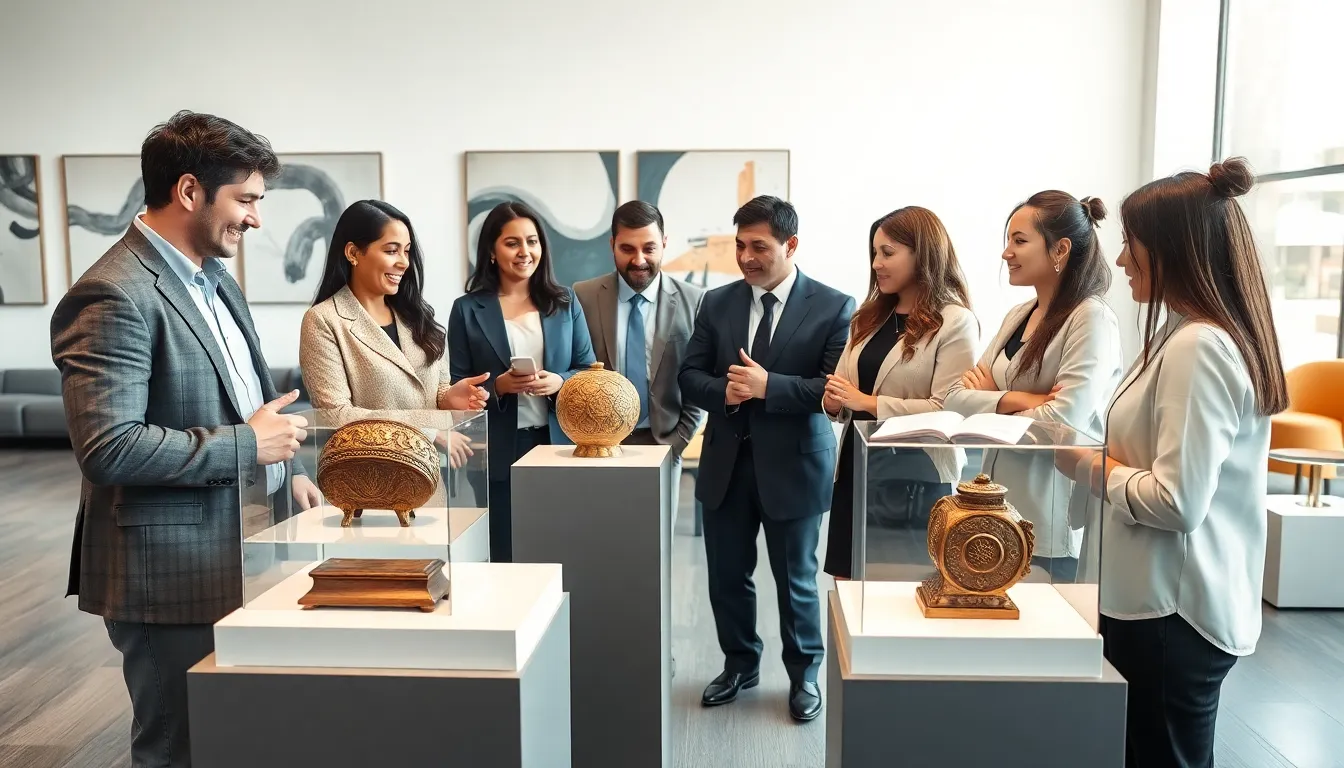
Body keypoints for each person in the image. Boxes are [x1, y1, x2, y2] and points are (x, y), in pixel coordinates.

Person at [50, 111, 319, 768]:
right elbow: (109, 447)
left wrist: (287, 470)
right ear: (191, 191)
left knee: (235, 740)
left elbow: (247, 400)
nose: (256, 219)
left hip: (243, 548)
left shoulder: (216, 280)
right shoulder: (111, 293)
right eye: (246, 199)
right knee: (181, 749)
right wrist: (248, 448)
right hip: (166, 574)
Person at [1057, 158, 1287, 767]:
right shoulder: (1181, 336)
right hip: (1153, 601)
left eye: (1130, 245)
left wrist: (1088, 465)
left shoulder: (1198, 345)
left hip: (1170, 611)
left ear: (1171, 250)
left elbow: (1177, 502)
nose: (1120, 260)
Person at [679, 195, 855, 723]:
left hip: (796, 467)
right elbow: (690, 376)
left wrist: (767, 386)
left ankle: (804, 675)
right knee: (726, 577)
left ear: (790, 245)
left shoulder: (834, 306)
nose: (746, 257)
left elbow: (833, 390)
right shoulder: (716, 303)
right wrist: (725, 393)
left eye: (758, 246)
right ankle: (739, 665)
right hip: (725, 466)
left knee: (796, 581)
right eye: (740, 245)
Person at [944, 192, 1122, 581]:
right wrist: (1024, 398)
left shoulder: (1090, 319)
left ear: (1060, 249)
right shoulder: (1018, 314)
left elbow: (1061, 425)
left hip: (1048, 519)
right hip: (995, 512)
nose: (1006, 252)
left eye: (1020, 241)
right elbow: (954, 399)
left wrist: (989, 397)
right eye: (1008, 240)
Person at [821, 207, 978, 580]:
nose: (877, 263)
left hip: (917, 475)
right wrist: (833, 402)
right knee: (846, 585)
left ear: (922, 254)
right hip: (857, 464)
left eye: (887, 253)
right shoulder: (867, 317)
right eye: (874, 253)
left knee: (903, 590)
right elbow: (843, 388)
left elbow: (949, 408)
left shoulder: (955, 322)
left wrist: (867, 403)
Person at [447, 201, 596, 562]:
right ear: (492, 251)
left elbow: (588, 371)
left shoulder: (564, 303)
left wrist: (559, 381)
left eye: (532, 241)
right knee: (504, 551)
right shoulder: (466, 309)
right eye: (512, 243)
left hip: (557, 442)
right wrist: (498, 387)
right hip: (499, 449)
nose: (524, 252)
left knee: (559, 548)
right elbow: (455, 387)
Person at [300, 199, 488, 471]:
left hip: (429, 478)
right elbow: (335, 415)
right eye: (391, 250)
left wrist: (449, 399)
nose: (403, 262)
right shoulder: (323, 320)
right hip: (370, 481)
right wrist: (428, 431)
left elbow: (435, 391)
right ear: (353, 252)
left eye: (406, 251)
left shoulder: (417, 317)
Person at [573, 200, 705, 522]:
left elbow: (699, 378)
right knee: (600, 536)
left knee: (656, 543)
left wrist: (677, 443)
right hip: (598, 446)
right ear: (612, 246)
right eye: (627, 249)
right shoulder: (583, 296)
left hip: (664, 443)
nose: (639, 260)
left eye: (649, 248)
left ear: (664, 243)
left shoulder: (695, 300)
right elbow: (575, 369)